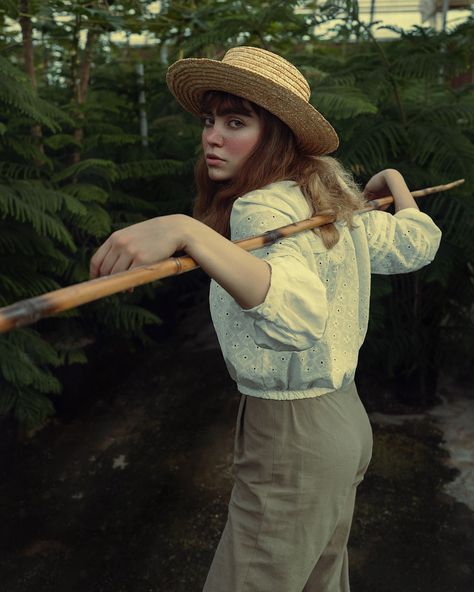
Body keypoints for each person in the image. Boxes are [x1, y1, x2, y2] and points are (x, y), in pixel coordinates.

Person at [89, 46, 442, 591]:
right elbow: (415, 243)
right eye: (210, 121)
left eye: (236, 122)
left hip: (294, 437)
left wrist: (189, 231)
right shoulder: (322, 197)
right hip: (343, 423)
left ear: (276, 133)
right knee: (319, 581)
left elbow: (298, 315)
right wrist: (393, 183)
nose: (212, 136)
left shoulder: (263, 208)